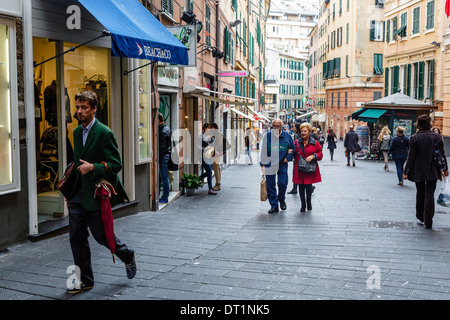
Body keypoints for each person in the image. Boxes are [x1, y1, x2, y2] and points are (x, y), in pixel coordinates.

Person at [66, 91, 136, 294]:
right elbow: (77, 161)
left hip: (96, 194)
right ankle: (84, 280)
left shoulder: (105, 133)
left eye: (84, 107)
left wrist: (94, 167)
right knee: (76, 236)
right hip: (78, 193)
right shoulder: (76, 133)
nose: (79, 111)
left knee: (101, 236)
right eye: (78, 107)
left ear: (94, 108)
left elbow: (116, 164)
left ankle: (127, 255)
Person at [404, 114, 448, 229]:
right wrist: (445, 168)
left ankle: (420, 215)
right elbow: (442, 154)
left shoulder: (414, 138)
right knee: (430, 194)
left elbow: (411, 156)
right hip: (433, 169)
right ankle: (429, 219)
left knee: (420, 193)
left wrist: (406, 170)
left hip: (419, 169)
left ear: (419, 126)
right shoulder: (437, 137)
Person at [260, 119, 295, 214]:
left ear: (281, 127)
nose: (276, 128)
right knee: (270, 185)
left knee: (283, 183)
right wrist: (262, 164)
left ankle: (281, 199)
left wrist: (287, 158)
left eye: (278, 126)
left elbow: (293, 149)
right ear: (272, 126)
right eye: (274, 126)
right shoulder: (267, 136)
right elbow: (263, 150)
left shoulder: (287, 136)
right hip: (269, 164)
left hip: (282, 164)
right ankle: (274, 205)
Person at [292, 123, 323, 212]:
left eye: (305, 131)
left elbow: (320, 154)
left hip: (309, 168)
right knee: (300, 187)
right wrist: (290, 151)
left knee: (308, 187)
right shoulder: (296, 142)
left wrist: (313, 156)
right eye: (301, 131)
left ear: (309, 132)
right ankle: (303, 204)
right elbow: (293, 153)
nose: (303, 133)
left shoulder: (315, 143)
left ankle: (309, 201)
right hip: (299, 168)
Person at [209, 122, 231, 191]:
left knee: (215, 167)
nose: (210, 129)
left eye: (211, 127)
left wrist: (214, 152)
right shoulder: (216, 133)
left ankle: (218, 184)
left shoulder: (218, 134)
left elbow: (218, 144)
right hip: (218, 152)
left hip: (217, 153)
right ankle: (218, 183)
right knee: (217, 167)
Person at [198, 123, 217, 195]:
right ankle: (210, 189)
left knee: (209, 172)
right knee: (209, 171)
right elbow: (198, 147)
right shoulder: (201, 136)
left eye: (208, 128)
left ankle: (197, 179)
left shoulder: (212, 137)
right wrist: (205, 148)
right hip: (203, 157)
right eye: (206, 128)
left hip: (210, 157)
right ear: (204, 129)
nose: (207, 129)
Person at [158, 112, 172, 203]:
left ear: (158, 120)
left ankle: (165, 197)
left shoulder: (163, 131)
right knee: (162, 176)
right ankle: (161, 195)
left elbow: (162, 148)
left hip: (163, 156)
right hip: (165, 155)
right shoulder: (166, 128)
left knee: (164, 176)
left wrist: (158, 161)